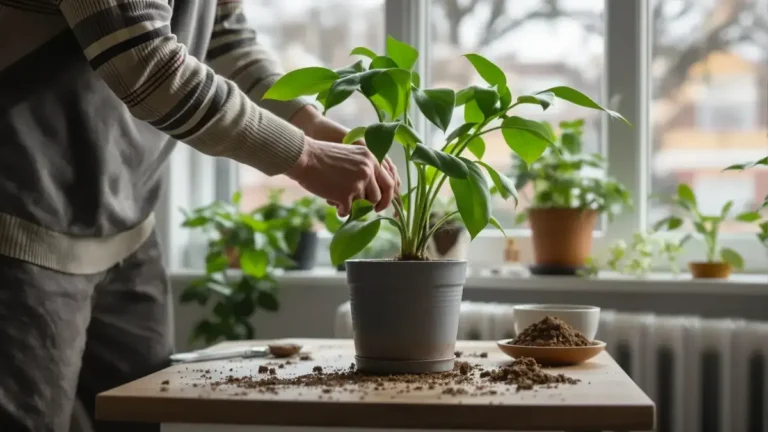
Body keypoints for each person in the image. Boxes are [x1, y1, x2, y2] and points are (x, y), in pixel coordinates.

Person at [0, 0, 399, 431]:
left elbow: (223, 34)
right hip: (19, 230)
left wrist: (310, 124)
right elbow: (147, 67)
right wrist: (304, 156)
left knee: (140, 416)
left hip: (127, 232)